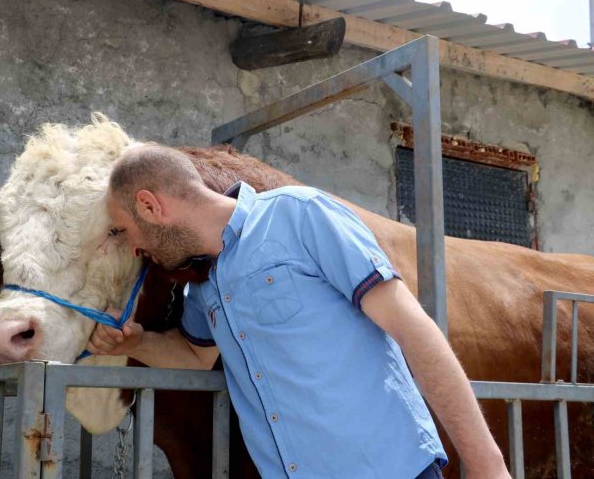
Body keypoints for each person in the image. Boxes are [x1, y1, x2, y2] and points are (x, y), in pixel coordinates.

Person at [87, 144, 510, 479]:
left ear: (149, 206)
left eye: (123, 231)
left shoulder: (300, 214)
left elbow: (412, 327)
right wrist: (137, 342)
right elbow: (196, 358)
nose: (132, 247)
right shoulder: (203, 285)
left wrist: (488, 465)